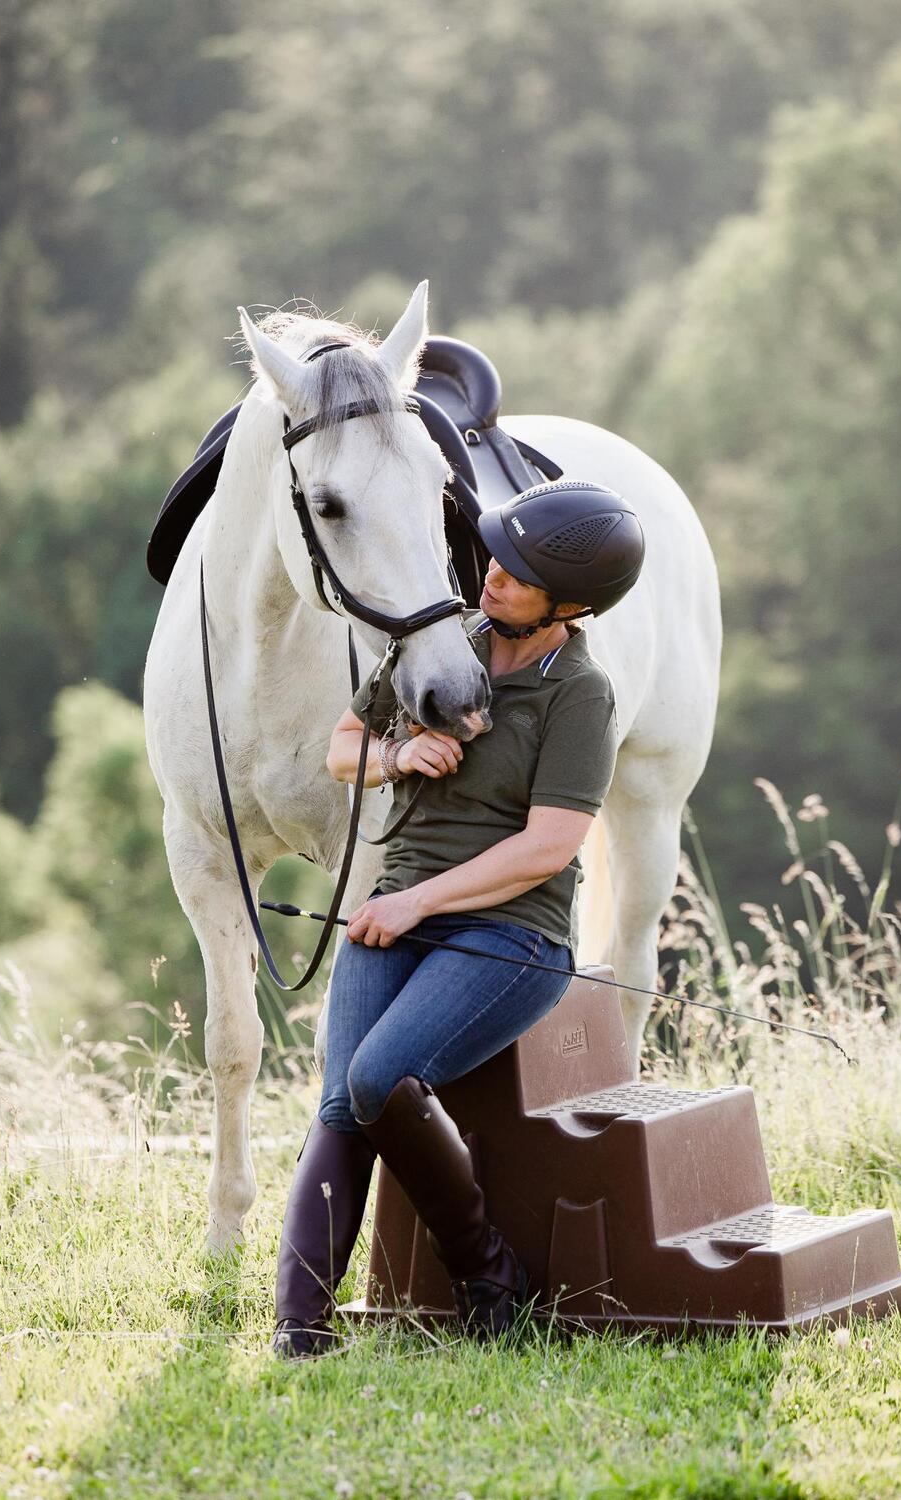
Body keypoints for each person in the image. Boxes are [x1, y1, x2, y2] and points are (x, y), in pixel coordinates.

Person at [272, 479, 646, 1358]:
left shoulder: (580, 697)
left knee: (378, 1081)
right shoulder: (441, 651)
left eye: (519, 576)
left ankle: (486, 1269)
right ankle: (300, 1328)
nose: (494, 579)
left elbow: (548, 849)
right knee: (339, 1103)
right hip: (401, 910)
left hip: (512, 936)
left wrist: (414, 902)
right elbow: (340, 750)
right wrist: (398, 752)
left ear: (572, 605)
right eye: (498, 559)